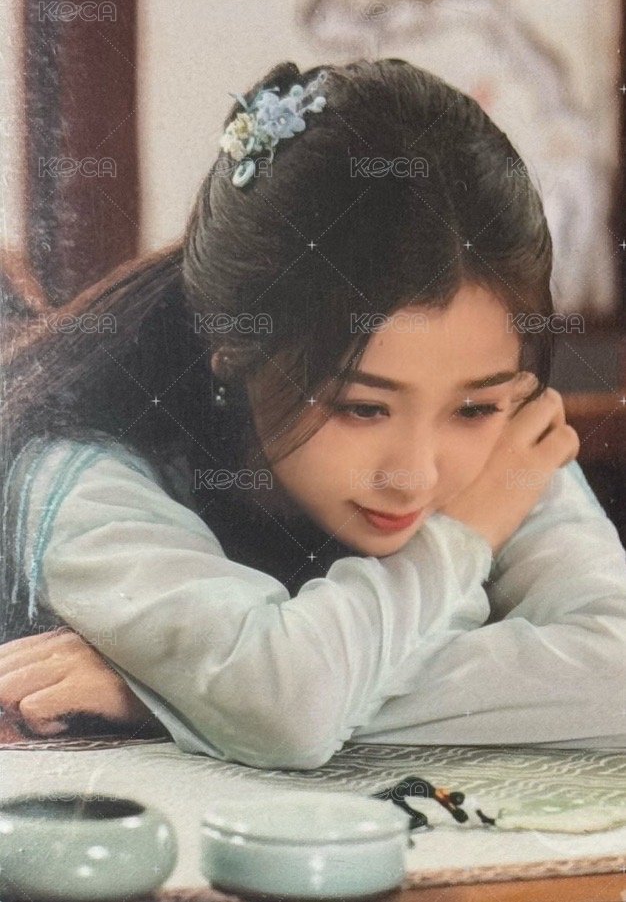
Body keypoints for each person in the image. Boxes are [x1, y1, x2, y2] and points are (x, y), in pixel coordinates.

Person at [0, 58, 624, 769]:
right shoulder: (83, 464)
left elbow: (614, 679)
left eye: (474, 406)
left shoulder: (502, 440)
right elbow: (287, 709)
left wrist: (185, 694)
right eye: (363, 407)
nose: (415, 474)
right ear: (235, 348)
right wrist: (461, 537)